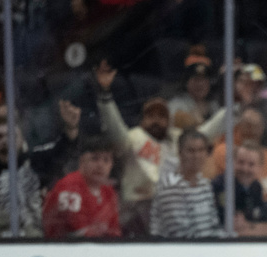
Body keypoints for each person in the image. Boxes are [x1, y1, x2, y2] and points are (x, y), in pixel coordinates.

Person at [94, 59, 229, 236]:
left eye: (162, 116)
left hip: (171, 208)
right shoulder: (133, 137)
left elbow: (205, 134)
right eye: (151, 115)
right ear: (142, 119)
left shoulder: (176, 137)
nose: (156, 120)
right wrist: (105, 96)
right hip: (136, 208)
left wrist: (233, 106)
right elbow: (115, 129)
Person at [149, 129, 222, 238]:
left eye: (201, 150)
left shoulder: (205, 185)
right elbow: (180, 232)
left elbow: (213, 224)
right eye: (191, 151)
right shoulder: (170, 187)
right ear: (180, 153)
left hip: (206, 248)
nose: (196, 156)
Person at [42, 136, 121, 238]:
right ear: (81, 162)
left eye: (106, 160)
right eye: (94, 158)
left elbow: (114, 232)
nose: (100, 165)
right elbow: (77, 233)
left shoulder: (108, 191)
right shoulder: (69, 187)